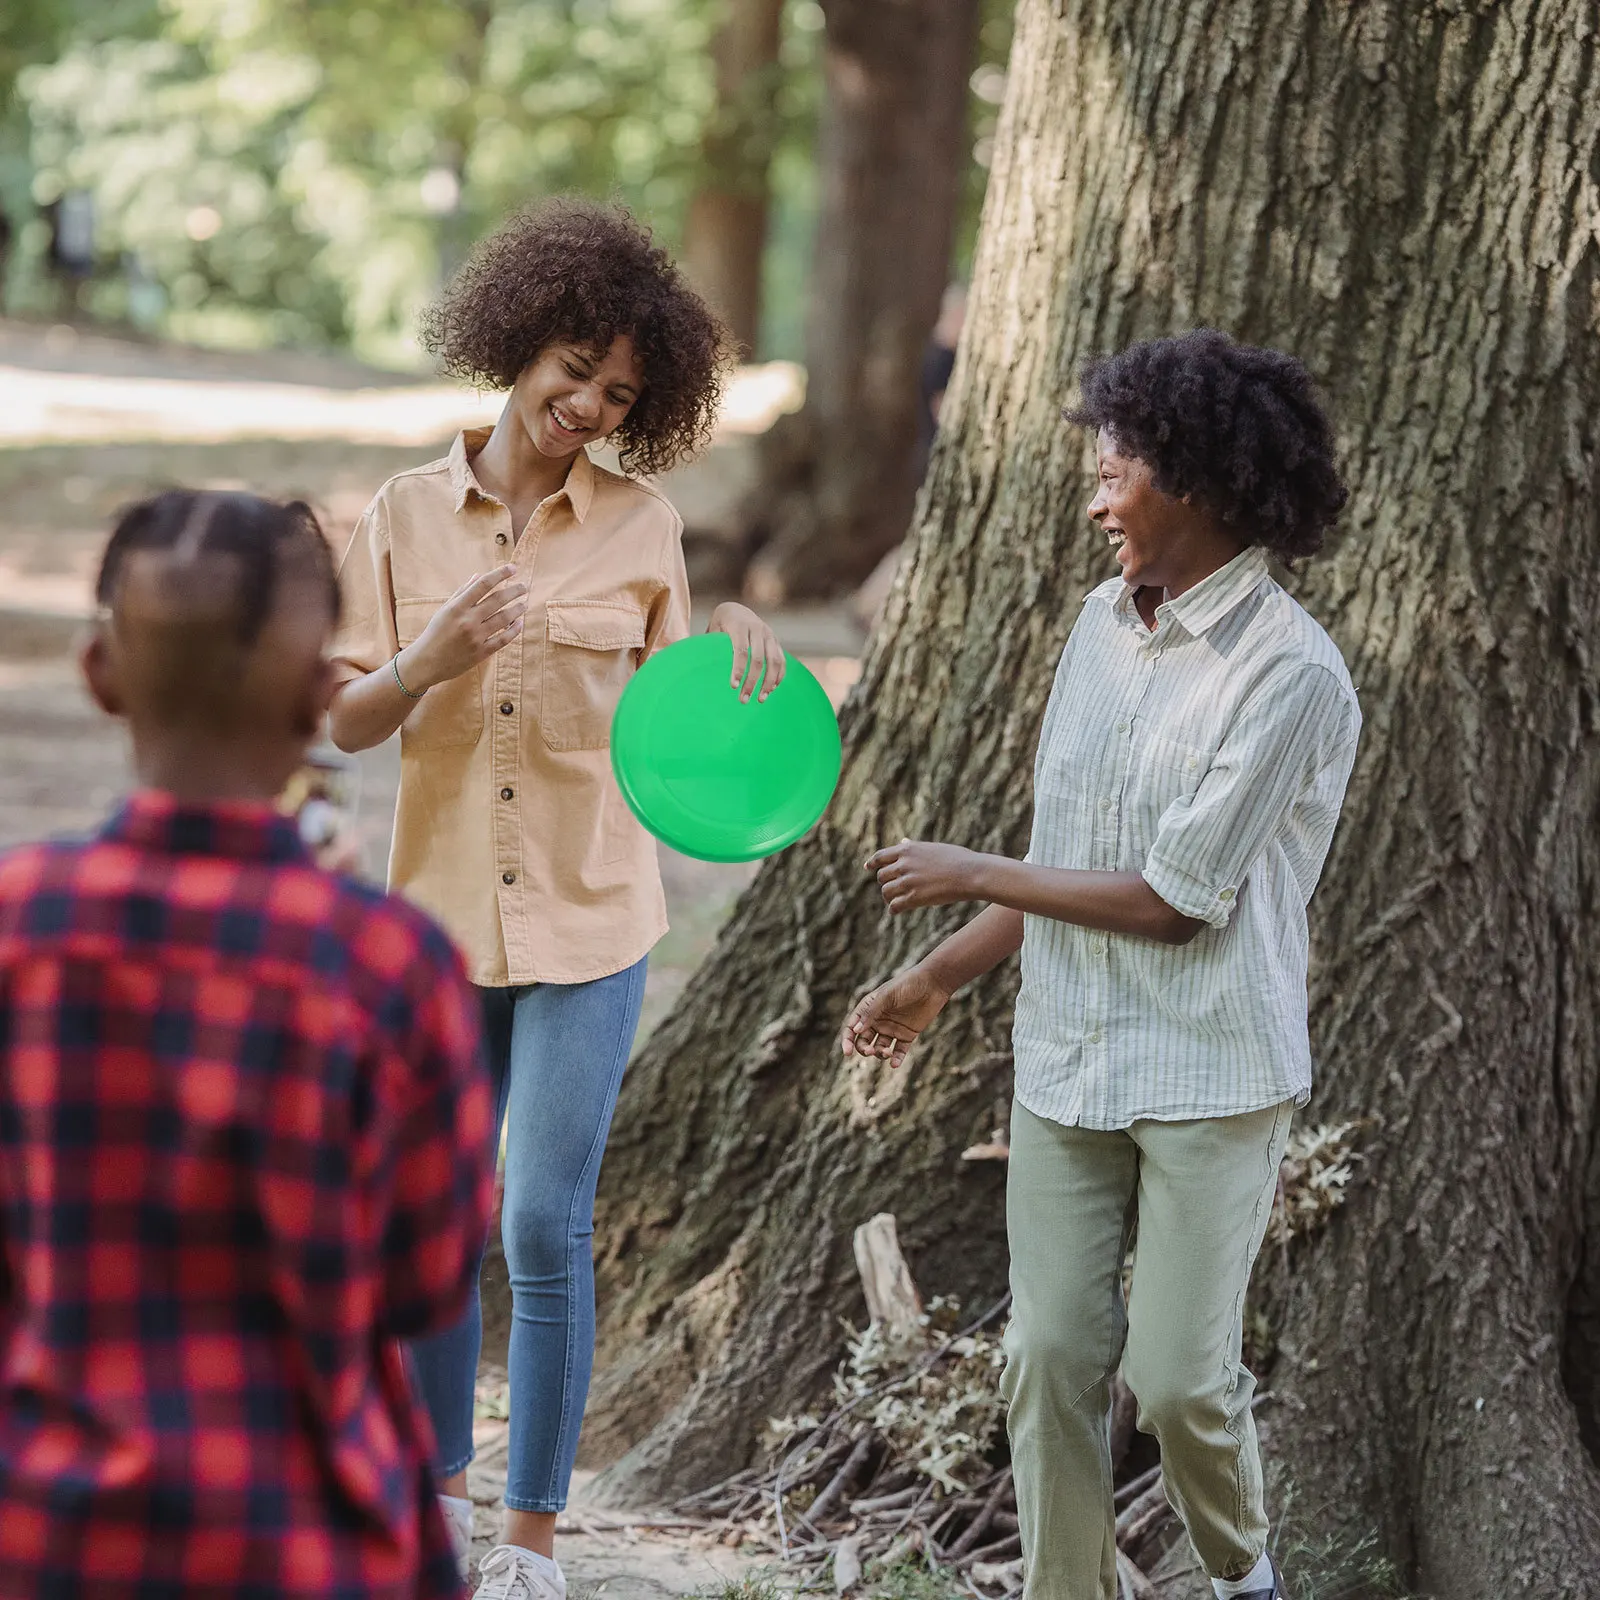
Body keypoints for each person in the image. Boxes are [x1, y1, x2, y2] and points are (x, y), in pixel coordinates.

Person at [841, 331, 1359, 1600]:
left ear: (1199, 481)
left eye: (1116, 470)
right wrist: (941, 975)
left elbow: (1175, 902)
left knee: (1182, 1379)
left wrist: (967, 871)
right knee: (1048, 1358)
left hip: (1208, 1068)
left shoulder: (1288, 674)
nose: (1094, 497)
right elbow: (1063, 858)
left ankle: (1241, 1580)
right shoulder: (1095, 625)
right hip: (1067, 1057)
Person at [327, 197, 786, 1598]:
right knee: (439, 1216)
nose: (589, 404)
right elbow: (342, 720)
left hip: (594, 915)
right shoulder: (405, 516)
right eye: (576, 368)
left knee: (542, 1223)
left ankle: (530, 1542)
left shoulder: (644, 532)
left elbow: (679, 731)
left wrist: (743, 657)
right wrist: (434, 659)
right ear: (520, 341)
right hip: (442, 928)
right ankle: (432, 1507)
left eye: (623, 393)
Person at [0, 490, 495, 1598]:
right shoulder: (387, 964)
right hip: (307, 1538)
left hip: (46, 1534)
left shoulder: (17, 926)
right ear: (324, 697)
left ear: (99, 675)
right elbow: (428, 1278)